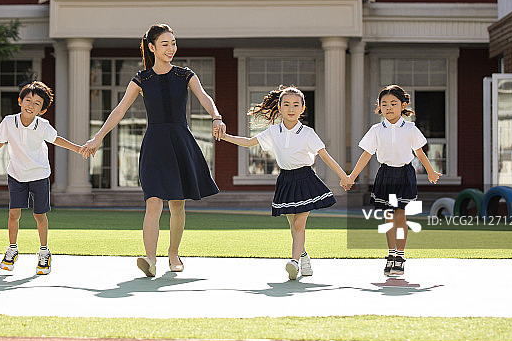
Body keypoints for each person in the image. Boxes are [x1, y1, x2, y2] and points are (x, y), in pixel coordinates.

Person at [80, 23, 224, 277]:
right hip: (155, 145)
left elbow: (203, 96)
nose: (171, 49)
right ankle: (150, 259)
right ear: (152, 47)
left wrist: (216, 116)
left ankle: (173, 253)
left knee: (177, 205)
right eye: (165, 44)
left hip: (181, 141)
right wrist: (98, 137)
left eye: (173, 43)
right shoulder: (141, 79)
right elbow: (120, 110)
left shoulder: (185, 75)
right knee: (153, 202)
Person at [220, 86, 352, 280]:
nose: (291, 108)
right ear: (280, 108)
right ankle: (304, 258)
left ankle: (295, 263)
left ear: (302, 108)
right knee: (293, 226)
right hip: (286, 180)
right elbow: (249, 142)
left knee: (299, 225)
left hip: (306, 179)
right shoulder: (273, 131)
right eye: (287, 104)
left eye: (296, 105)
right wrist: (224, 137)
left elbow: (325, 156)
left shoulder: (308, 133)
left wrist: (344, 176)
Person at [0, 81, 83, 275]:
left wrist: (78, 149)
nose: (31, 105)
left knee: (40, 215)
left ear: (42, 110)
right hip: (16, 175)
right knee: (14, 214)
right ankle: (12, 249)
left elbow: (57, 140)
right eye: (28, 100)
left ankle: (44, 252)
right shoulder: (9, 122)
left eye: (37, 103)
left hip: (39, 175)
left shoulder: (43, 125)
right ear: (20, 101)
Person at [348, 84, 441, 277]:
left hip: (405, 175)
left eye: (393, 103)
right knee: (389, 217)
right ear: (379, 107)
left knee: (400, 216)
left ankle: (400, 256)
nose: (388, 107)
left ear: (403, 105)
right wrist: (351, 176)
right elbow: (366, 155)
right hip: (385, 175)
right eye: (384, 104)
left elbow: (420, 153)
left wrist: (431, 171)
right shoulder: (375, 130)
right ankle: (391, 255)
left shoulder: (410, 128)